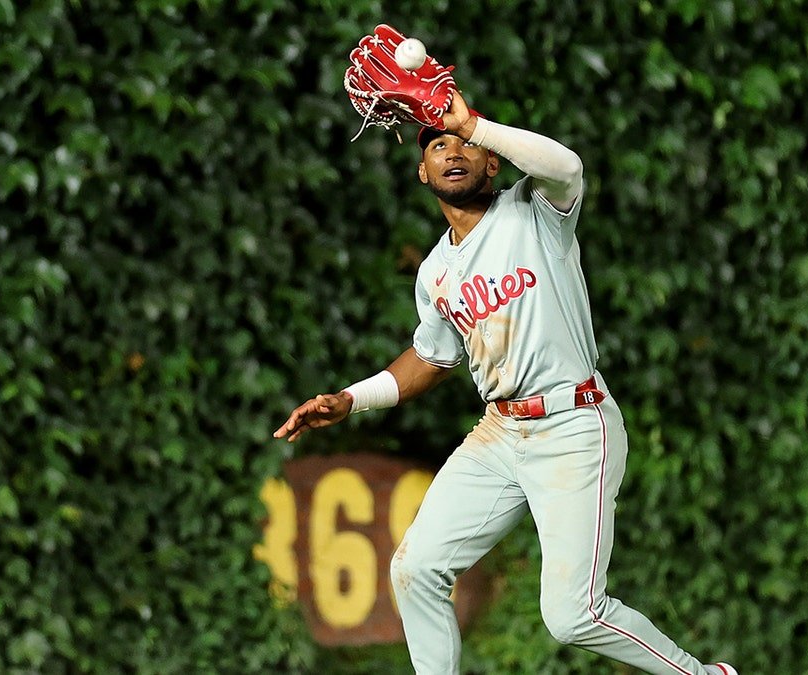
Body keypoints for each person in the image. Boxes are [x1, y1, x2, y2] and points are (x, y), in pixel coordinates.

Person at [273, 92, 737, 675]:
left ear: (492, 161)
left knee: (572, 616)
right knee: (414, 570)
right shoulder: (436, 271)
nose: (452, 152)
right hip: (500, 435)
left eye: (464, 143)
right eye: (438, 145)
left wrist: (474, 123)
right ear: (423, 172)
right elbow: (429, 357)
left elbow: (568, 167)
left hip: (572, 425)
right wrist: (350, 398)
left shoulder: (535, 211)